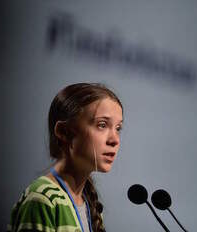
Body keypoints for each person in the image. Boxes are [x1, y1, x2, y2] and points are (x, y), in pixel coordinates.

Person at [7, 83, 123, 232]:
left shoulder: (90, 206)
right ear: (63, 132)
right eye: (102, 125)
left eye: (118, 128)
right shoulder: (43, 199)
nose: (115, 140)